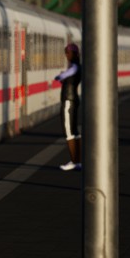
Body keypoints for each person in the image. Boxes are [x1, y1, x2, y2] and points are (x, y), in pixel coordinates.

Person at [53, 41, 82, 170]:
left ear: (74, 54)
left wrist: (60, 76)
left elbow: (61, 76)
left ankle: (74, 161)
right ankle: (77, 161)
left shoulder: (74, 67)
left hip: (68, 101)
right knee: (74, 131)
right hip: (73, 100)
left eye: (68, 53)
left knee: (69, 131)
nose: (66, 55)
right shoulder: (77, 66)